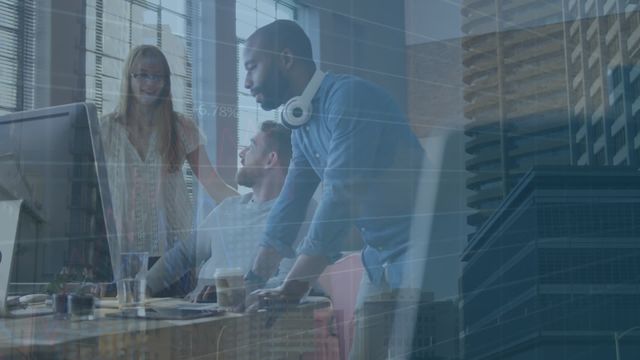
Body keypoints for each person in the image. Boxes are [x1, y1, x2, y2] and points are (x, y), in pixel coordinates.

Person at [241, 20, 426, 359]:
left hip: (421, 256)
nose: (246, 81)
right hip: (379, 260)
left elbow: (340, 198)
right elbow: (290, 204)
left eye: (252, 66)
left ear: (285, 58)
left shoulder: (348, 98)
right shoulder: (302, 127)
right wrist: (251, 282)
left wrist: (292, 289)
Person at [146, 121, 313, 300]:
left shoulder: (301, 213)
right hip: (193, 311)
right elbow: (182, 255)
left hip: (239, 316)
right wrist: (142, 288)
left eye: (251, 147)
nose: (242, 153)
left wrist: (231, 291)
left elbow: (287, 283)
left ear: (270, 159)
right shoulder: (228, 207)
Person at [100, 45, 238, 259]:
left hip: (173, 250)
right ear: (129, 78)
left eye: (158, 77)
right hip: (118, 250)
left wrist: (257, 208)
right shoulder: (104, 129)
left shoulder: (181, 127)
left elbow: (213, 183)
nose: (150, 84)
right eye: (143, 75)